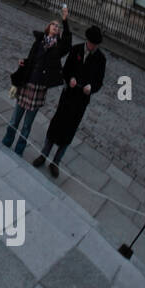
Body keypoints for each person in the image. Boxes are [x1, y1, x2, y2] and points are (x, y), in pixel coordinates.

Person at [33, 25, 106, 177]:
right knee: (56, 125)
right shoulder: (76, 50)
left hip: (80, 101)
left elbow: (99, 82)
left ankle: (56, 162)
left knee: (69, 131)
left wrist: (90, 87)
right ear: (87, 40)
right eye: (91, 43)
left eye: (95, 44)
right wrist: (70, 78)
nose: (93, 46)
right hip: (68, 96)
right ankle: (44, 154)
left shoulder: (101, 59)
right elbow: (65, 70)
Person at [1, 7, 72, 155]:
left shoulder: (58, 48)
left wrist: (65, 21)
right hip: (27, 83)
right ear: (48, 27)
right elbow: (32, 58)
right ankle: (7, 141)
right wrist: (23, 62)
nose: (55, 27)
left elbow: (67, 43)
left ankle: (19, 149)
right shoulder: (39, 41)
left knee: (27, 125)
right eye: (53, 24)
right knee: (15, 119)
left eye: (58, 27)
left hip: (39, 88)